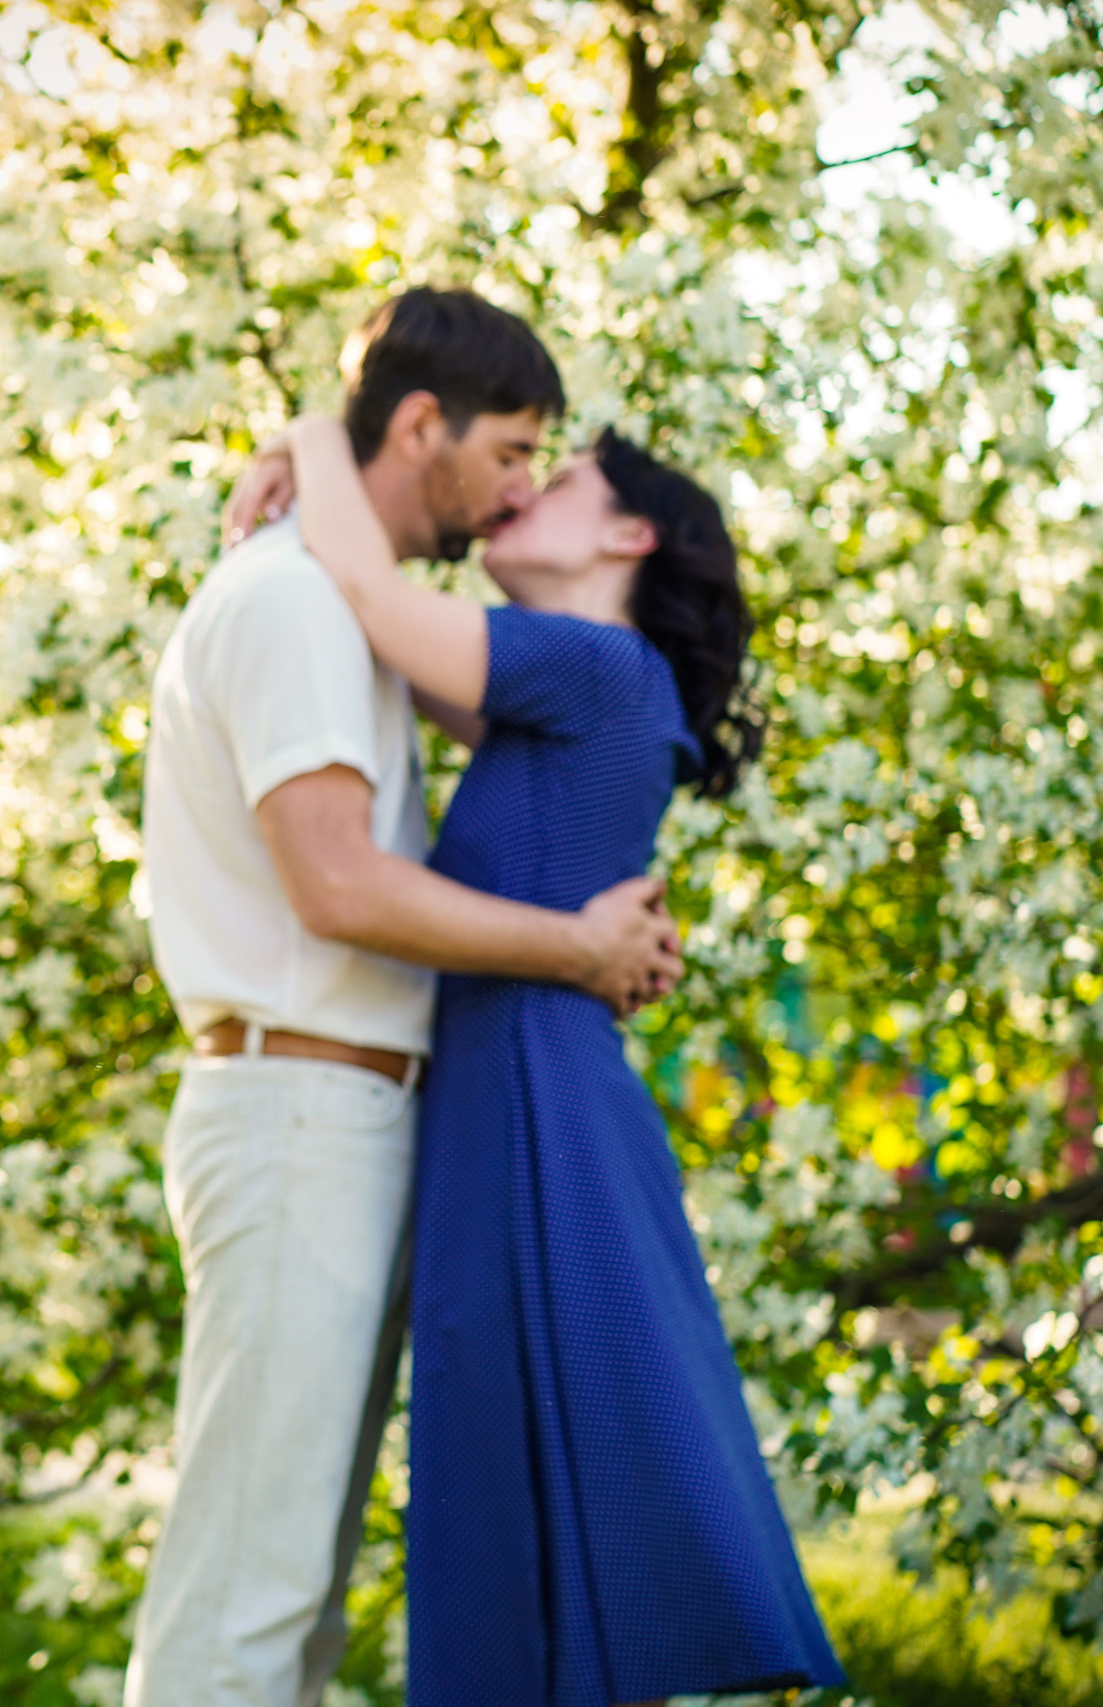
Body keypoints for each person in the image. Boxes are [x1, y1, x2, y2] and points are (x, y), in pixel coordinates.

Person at [127, 289, 687, 1707]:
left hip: (344, 1110)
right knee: (246, 1592)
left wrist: (306, 447)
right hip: (302, 1106)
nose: (521, 482)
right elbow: (342, 885)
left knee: (289, 1587)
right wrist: (573, 946)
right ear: (422, 424)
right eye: (510, 447)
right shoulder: (299, 601)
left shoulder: (346, 601)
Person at [267, 411, 845, 1704]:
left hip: (534, 1094)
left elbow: (364, 588)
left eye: (558, 473)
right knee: (517, 1461)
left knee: (515, 1455)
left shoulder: (596, 665)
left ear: (628, 530)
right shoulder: (577, 686)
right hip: (523, 1080)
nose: (518, 490)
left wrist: (314, 434)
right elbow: (370, 623)